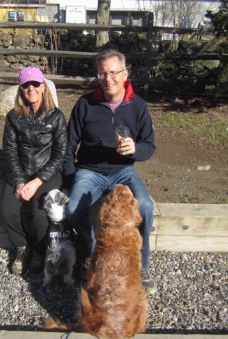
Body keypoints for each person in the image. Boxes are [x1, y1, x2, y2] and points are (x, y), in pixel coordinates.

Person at [63, 49, 156, 293]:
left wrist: (135, 148)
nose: (108, 78)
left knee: (145, 206)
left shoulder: (138, 106)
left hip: (123, 171)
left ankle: (142, 265)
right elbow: (68, 146)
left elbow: (150, 147)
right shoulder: (85, 104)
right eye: (103, 73)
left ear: (125, 74)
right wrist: (71, 180)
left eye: (114, 72)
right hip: (89, 171)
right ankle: (93, 255)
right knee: (73, 208)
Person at [0, 66, 67, 275]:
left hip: (47, 174)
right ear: (21, 89)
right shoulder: (13, 117)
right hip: (20, 172)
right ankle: (22, 247)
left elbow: (60, 154)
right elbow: (9, 151)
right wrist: (20, 181)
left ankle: (39, 250)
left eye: (35, 84)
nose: (31, 88)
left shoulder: (56, 117)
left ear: (43, 86)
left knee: (40, 214)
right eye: (26, 85)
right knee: (7, 211)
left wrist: (37, 181)